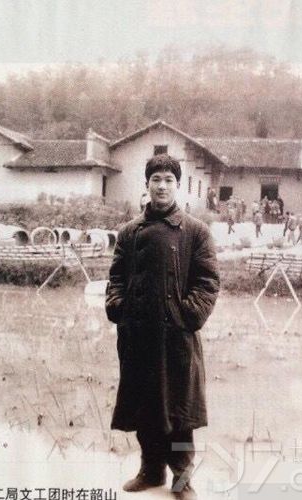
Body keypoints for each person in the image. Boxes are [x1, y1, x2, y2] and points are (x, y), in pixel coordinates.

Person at [105, 154, 220, 500]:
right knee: (145, 406)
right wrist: (119, 307)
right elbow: (116, 279)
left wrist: (186, 315)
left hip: (176, 337)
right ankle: (150, 470)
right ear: (147, 184)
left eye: (169, 180)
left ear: (177, 185)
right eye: (156, 179)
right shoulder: (129, 232)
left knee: (181, 412)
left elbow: (208, 283)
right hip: (139, 335)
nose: (162, 186)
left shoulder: (196, 231)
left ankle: (182, 480)